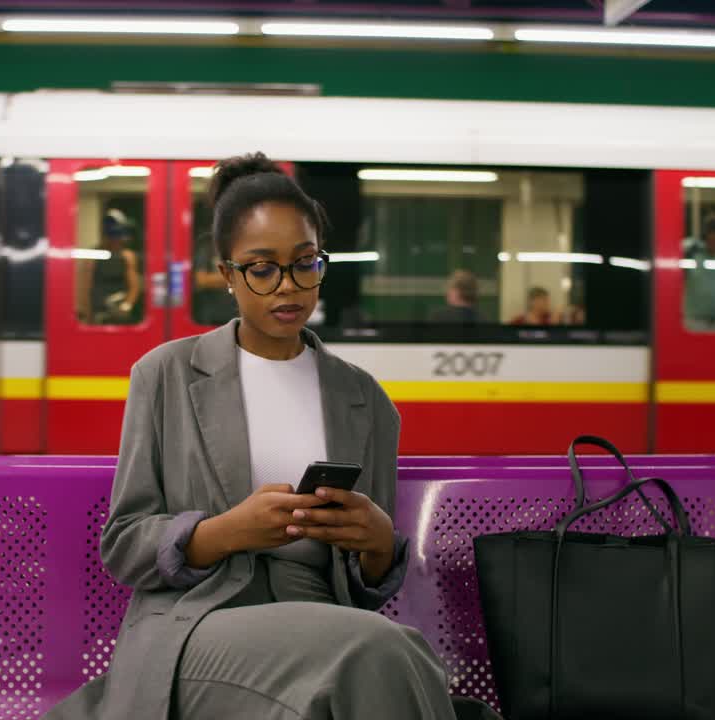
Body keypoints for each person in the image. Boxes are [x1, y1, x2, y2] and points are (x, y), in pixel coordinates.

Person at [43, 153, 464, 720]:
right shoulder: (166, 374)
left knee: (379, 656)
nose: (288, 287)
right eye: (262, 269)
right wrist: (224, 532)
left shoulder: (364, 400)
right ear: (228, 274)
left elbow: (368, 587)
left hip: (321, 623)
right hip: (197, 623)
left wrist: (376, 544)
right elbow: (124, 546)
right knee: (383, 653)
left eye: (305, 263)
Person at [80, 208, 142, 324]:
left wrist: (126, 305)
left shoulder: (127, 256)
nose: (117, 240)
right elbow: (86, 289)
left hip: (120, 309)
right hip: (98, 311)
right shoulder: (93, 255)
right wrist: (88, 316)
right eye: (114, 236)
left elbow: (134, 286)